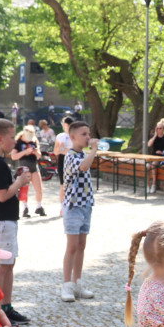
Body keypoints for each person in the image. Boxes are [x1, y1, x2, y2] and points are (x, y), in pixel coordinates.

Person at [0, 118, 32, 325]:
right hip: (1, 221)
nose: (15, 141)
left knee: (8, 265)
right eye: (12, 137)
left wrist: (15, 179)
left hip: (4, 220)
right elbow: (2, 195)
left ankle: (6, 307)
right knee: (1, 268)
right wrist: (20, 182)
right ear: (0, 139)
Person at [60, 121, 99, 302]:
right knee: (72, 246)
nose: (88, 137)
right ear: (73, 137)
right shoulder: (71, 155)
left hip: (85, 205)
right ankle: (66, 285)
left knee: (82, 245)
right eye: (84, 134)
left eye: (88, 133)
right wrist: (94, 150)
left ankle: (78, 282)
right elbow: (84, 166)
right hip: (73, 206)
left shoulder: (83, 154)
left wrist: (91, 151)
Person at [11, 124, 43, 218]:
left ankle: (39, 206)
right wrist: (25, 152)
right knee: (24, 189)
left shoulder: (34, 141)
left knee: (39, 188)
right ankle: (25, 208)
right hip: (24, 166)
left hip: (34, 166)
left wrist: (36, 152)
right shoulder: (18, 142)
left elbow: (39, 155)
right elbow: (13, 156)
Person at [146, 120, 164, 194]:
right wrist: (155, 135)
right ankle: (147, 186)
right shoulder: (153, 136)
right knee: (147, 166)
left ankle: (154, 184)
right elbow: (149, 145)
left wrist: (162, 152)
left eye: (160, 128)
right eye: (157, 128)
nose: (158, 130)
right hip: (153, 155)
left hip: (161, 156)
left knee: (153, 165)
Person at [53, 116, 74, 213]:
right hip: (62, 159)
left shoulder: (75, 135)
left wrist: (66, 150)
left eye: (69, 125)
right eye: (65, 125)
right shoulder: (60, 136)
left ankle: (72, 204)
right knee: (63, 184)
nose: (67, 127)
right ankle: (62, 206)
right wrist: (60, 148)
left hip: (73, 159)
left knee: (73, 183)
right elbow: (56, 152)